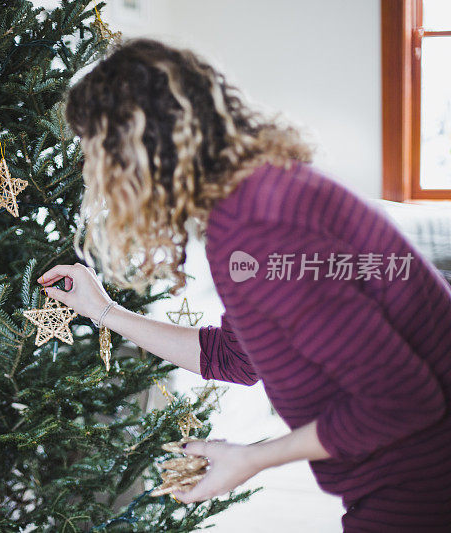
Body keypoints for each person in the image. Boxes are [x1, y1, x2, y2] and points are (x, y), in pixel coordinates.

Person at [36, 39, 451, 532]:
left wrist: (252, 458)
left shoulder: (256, 228)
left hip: (425, 485)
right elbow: (237, 358)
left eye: (94, 152)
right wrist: (103, 311)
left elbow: (401, 400)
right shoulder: (257, 196)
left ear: (135, 154)